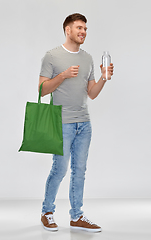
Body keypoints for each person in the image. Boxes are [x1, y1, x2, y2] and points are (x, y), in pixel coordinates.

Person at [39, 13, 114, 232]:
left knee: (79, 171)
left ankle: (77, 216)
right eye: (79, 28)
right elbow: (42, 90)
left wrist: (103, 78)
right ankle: (47, 212)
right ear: (68, 30)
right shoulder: (51, 56)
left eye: (85, 29)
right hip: (61, 123)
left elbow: (91, 94)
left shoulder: (88, 58)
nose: (83, 32)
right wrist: (62, 76)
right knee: (59, 169)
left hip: (84, 124)